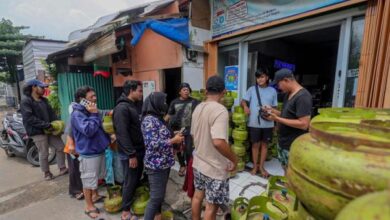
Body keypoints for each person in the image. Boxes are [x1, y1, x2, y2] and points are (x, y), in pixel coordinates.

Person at [191, 76, 238, 220]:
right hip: (215, 168)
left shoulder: (198, 107)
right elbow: (218, 142)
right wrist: (234, 160)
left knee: (198, 196)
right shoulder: (220, 110)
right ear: (223, 92)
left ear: (206, 91)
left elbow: (193, 135)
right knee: (211, 206)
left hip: (198, 163)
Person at [141, 92, 184, 220]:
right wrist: (173, 141)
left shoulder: (158, 118)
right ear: (155, 103)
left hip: (164, 163)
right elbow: (151, 143)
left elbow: (160, 135)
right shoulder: (149, 120)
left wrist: (174, 134)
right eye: (163, 101)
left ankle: (157, 217)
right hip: (156, 165)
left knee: (159, 196)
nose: (165, 104)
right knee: (155, 198)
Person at [71, 86, 110, 219]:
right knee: (88, 179)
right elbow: (88, 130)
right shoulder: (78, 114)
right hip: (88, 153)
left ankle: (95, 195)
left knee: (96, 177)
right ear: (83, 100)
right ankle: (88, 206)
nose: (95, 98)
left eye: (94, 95)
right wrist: (94, 114)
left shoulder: (90, 110)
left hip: (98, 149)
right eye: (91, 97)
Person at [20, 79, 67, 180]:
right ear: (34, 87)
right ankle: (46, 173)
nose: (44, 89)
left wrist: (58, 127)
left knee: (60, 147)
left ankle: (62, 168)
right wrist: (46, 125)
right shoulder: (26, 101)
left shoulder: (44, 100)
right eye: (42, 87)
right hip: (37, 131)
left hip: (49, 128)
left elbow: (52, 115)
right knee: (44, 152)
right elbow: (29, 118)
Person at [265, 68, 312, 167]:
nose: (279, 87)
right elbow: (287, 115)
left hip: (294, 145)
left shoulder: (303, 96)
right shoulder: (288, 94)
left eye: (279, 84)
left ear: (286, 80)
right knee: (285, 170)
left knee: (293, 174)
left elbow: (304, 124)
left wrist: (277, 119)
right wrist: (273, 111)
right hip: (283, 142)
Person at [113, 80, 144, 220]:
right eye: (140, 90)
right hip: (130, 153)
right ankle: (125, 212)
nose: (141, 93)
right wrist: (131, 154)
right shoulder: (122, 108)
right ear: (131, 90)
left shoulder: (133, 105)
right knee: (130, 180)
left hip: (137, 150)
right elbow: (122, 133)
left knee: (135, 179)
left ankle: (132, 204)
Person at [241, 68, 277, 177]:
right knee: (255, 145)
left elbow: (275, 107)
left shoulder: (273, 91)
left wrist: (274, 121)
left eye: (262, 77)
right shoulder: (252, 89)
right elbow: (243, 101)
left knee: (265, 145)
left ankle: (261, 167)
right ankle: (255, 166)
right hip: (254, 123)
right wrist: (245, 106)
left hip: (268, 123)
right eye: (257, 77)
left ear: (267, 77)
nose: (259, 79)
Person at [165, 82, 199, 176]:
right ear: (180, 92)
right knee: (178, 149)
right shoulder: (174, 102)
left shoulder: (194, 101)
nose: (186, 91)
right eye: (184, 90)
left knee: (188, 150)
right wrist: (162, 124)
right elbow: (169, 114)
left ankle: (189, 167)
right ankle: (182, 165)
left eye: (188, 90)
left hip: (189, 130)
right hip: (177, 130)